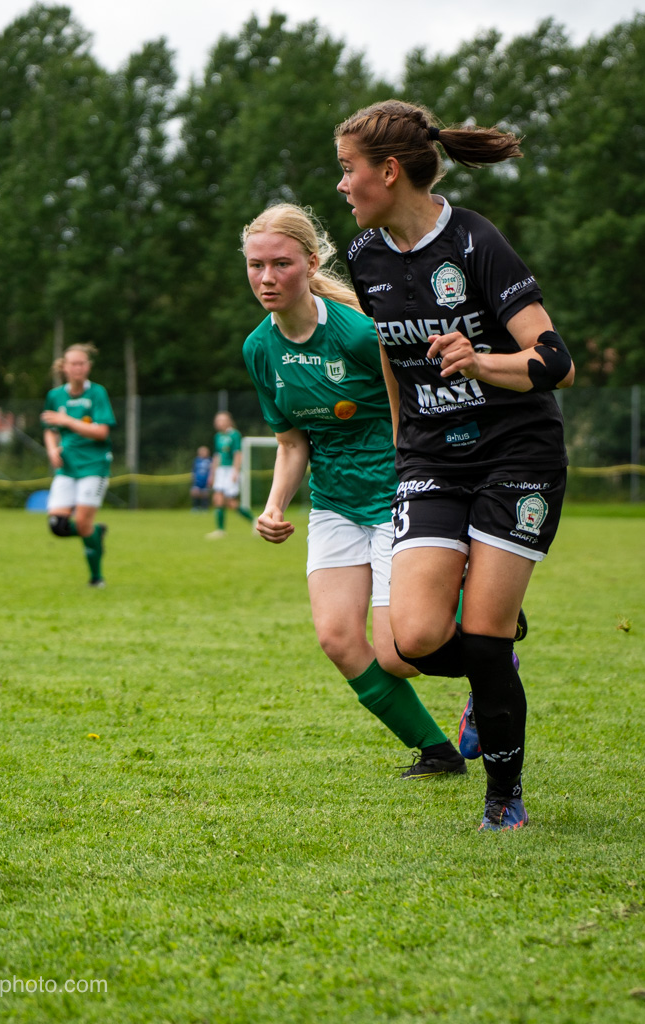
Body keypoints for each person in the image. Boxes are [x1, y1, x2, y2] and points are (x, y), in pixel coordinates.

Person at [335, 99, 575, 829]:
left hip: (516, 453)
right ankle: (493, 660)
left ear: (389, 171)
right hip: (431, 457)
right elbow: (392, 358)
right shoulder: (364, 256)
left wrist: (480, 361)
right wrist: (402, 443)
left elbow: (555, 362)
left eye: (348, 169)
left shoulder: (474, 240)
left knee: (483, 637)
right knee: (410, 638)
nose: (341, 185)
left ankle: (503, 801)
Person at [241, 202, 465, 779]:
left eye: (281, 264)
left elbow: (410, 412)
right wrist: (273, 506)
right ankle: (437, 751)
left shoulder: (361, 334)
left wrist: (425, 484)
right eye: (256, 266)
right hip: (334, 504)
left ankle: (487, 642)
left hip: (396, 495)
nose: (267, 278)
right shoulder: (259, 349)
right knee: (338, 639)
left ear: (311, 263)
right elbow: (292, 443)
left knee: (401, 653)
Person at [41, 344, 115, 588]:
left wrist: (67, 421)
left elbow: (102, 432)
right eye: (73, 363)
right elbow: (50, 429)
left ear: (88, 367)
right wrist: (52, 449)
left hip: (94, 466)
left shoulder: (97, 393)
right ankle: (96, 533)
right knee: (57, 526)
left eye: (82, 363)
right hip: (67, 467)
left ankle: (96, 577)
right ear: (64, 367)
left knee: (82, 522)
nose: (77, 368)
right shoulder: (55, 396)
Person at [206, 411, 254, 538]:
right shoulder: (217, 436)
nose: (219, 423)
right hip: (220, 471)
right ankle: (220, 530)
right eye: (217, 420)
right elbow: (217, 456)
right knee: (218, 498)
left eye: (221, 420)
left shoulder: (234, 435)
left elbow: (237, 454)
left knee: (231, 502)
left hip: (230, 470)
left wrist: (235, 471)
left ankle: (254, 521)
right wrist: (212, 474)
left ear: (228, 421)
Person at [190, 445, 212, 511]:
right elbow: (193, 470)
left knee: (205, 494)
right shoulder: (196, 460)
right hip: (197, 480)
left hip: (206, 480)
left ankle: (204, 507)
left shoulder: (210, 460)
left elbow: (212, 470)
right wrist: (192, 477)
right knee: (195, 492)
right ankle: (196, 507)